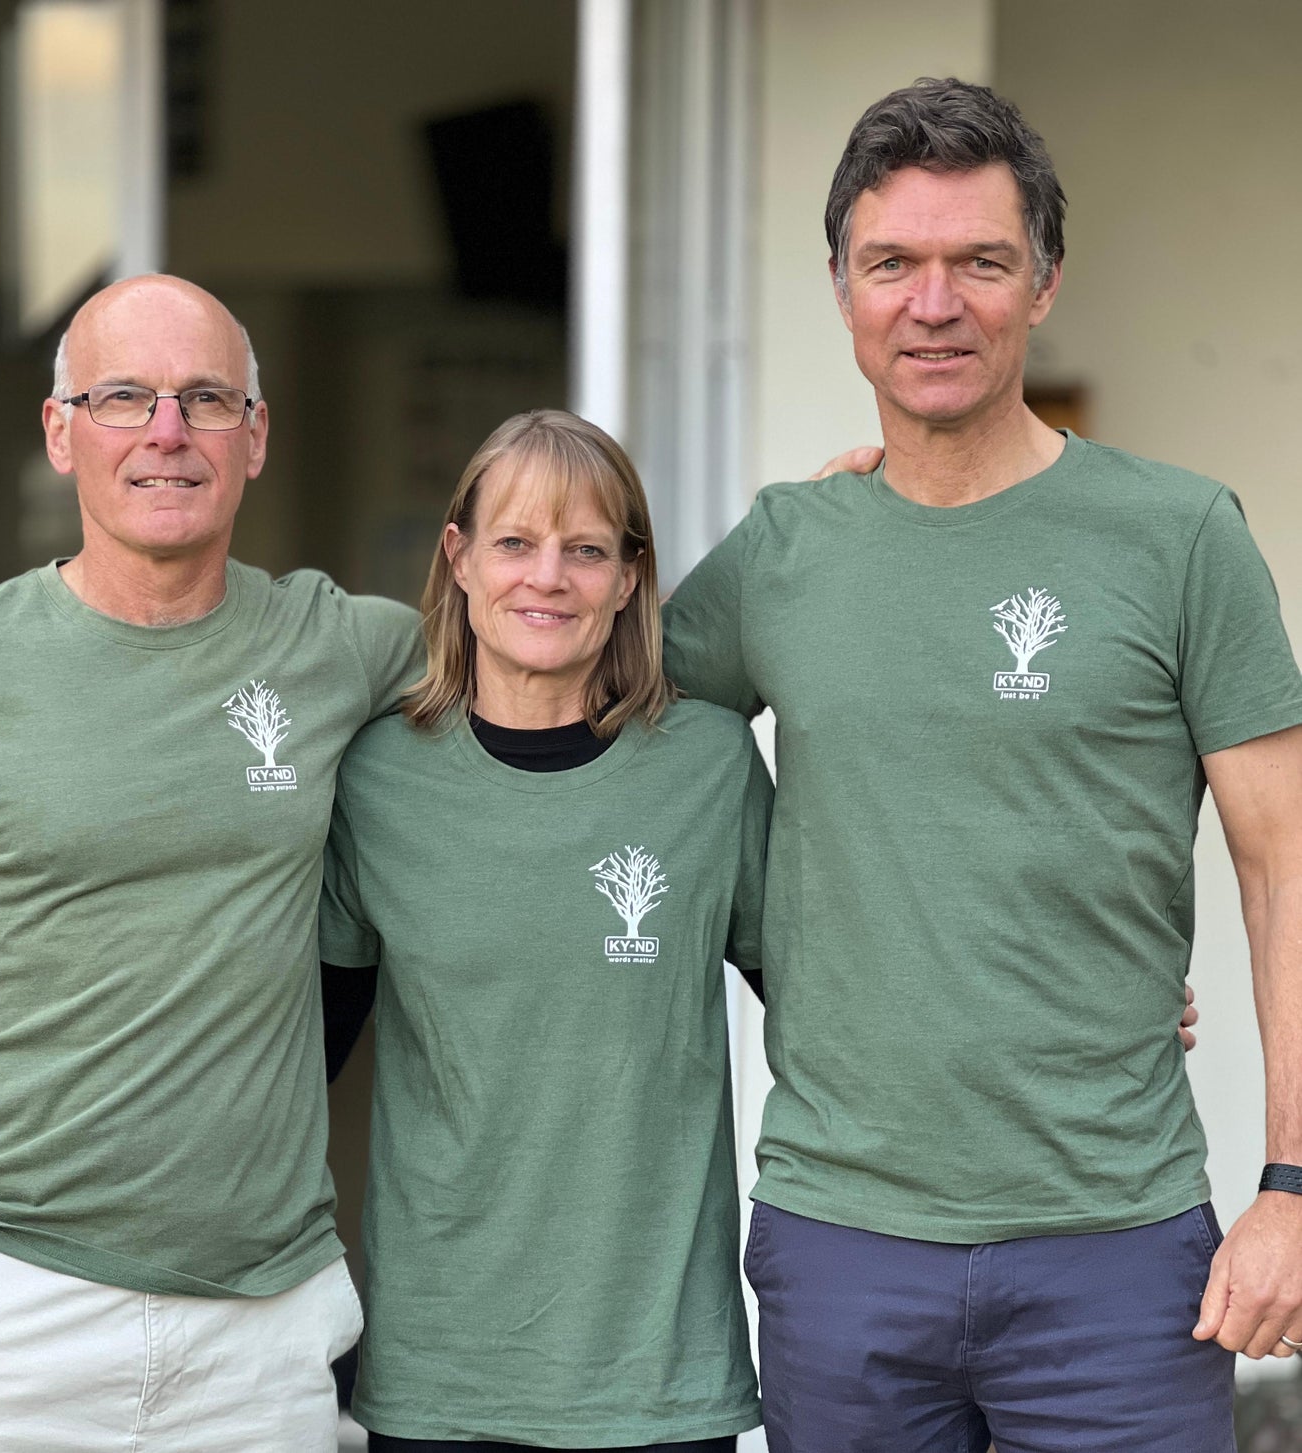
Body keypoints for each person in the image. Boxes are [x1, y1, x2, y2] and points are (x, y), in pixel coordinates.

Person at [662, 77, 1302, 1453]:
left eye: (979, 262)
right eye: (892, 263)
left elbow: (1284, 864)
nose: (932, 302)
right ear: (839, 287)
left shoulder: (1179, 536)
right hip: (841, 1244)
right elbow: (606, 735)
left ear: (1046, 281)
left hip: (1117, 1250)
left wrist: (1293, 1186)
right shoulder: (784, 550)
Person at [0, 275, 423, 1451]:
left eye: (207, 399)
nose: (167, 433)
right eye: (125, 397)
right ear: (61, 431)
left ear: (254, 437)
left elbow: (568, 637)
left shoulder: (339, 647)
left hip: (258, 1330)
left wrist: (874, 491)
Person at [319, 409, 770, 1450]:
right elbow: (295, 1047)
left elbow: (835, 998)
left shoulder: (703, 763)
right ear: (459, 559)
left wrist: (1070, 1009)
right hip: (440, 1369)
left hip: (655, 1372)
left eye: (585, 549)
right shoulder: (378, 777)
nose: (546, 577)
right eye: (514, 543)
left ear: (626, 578)